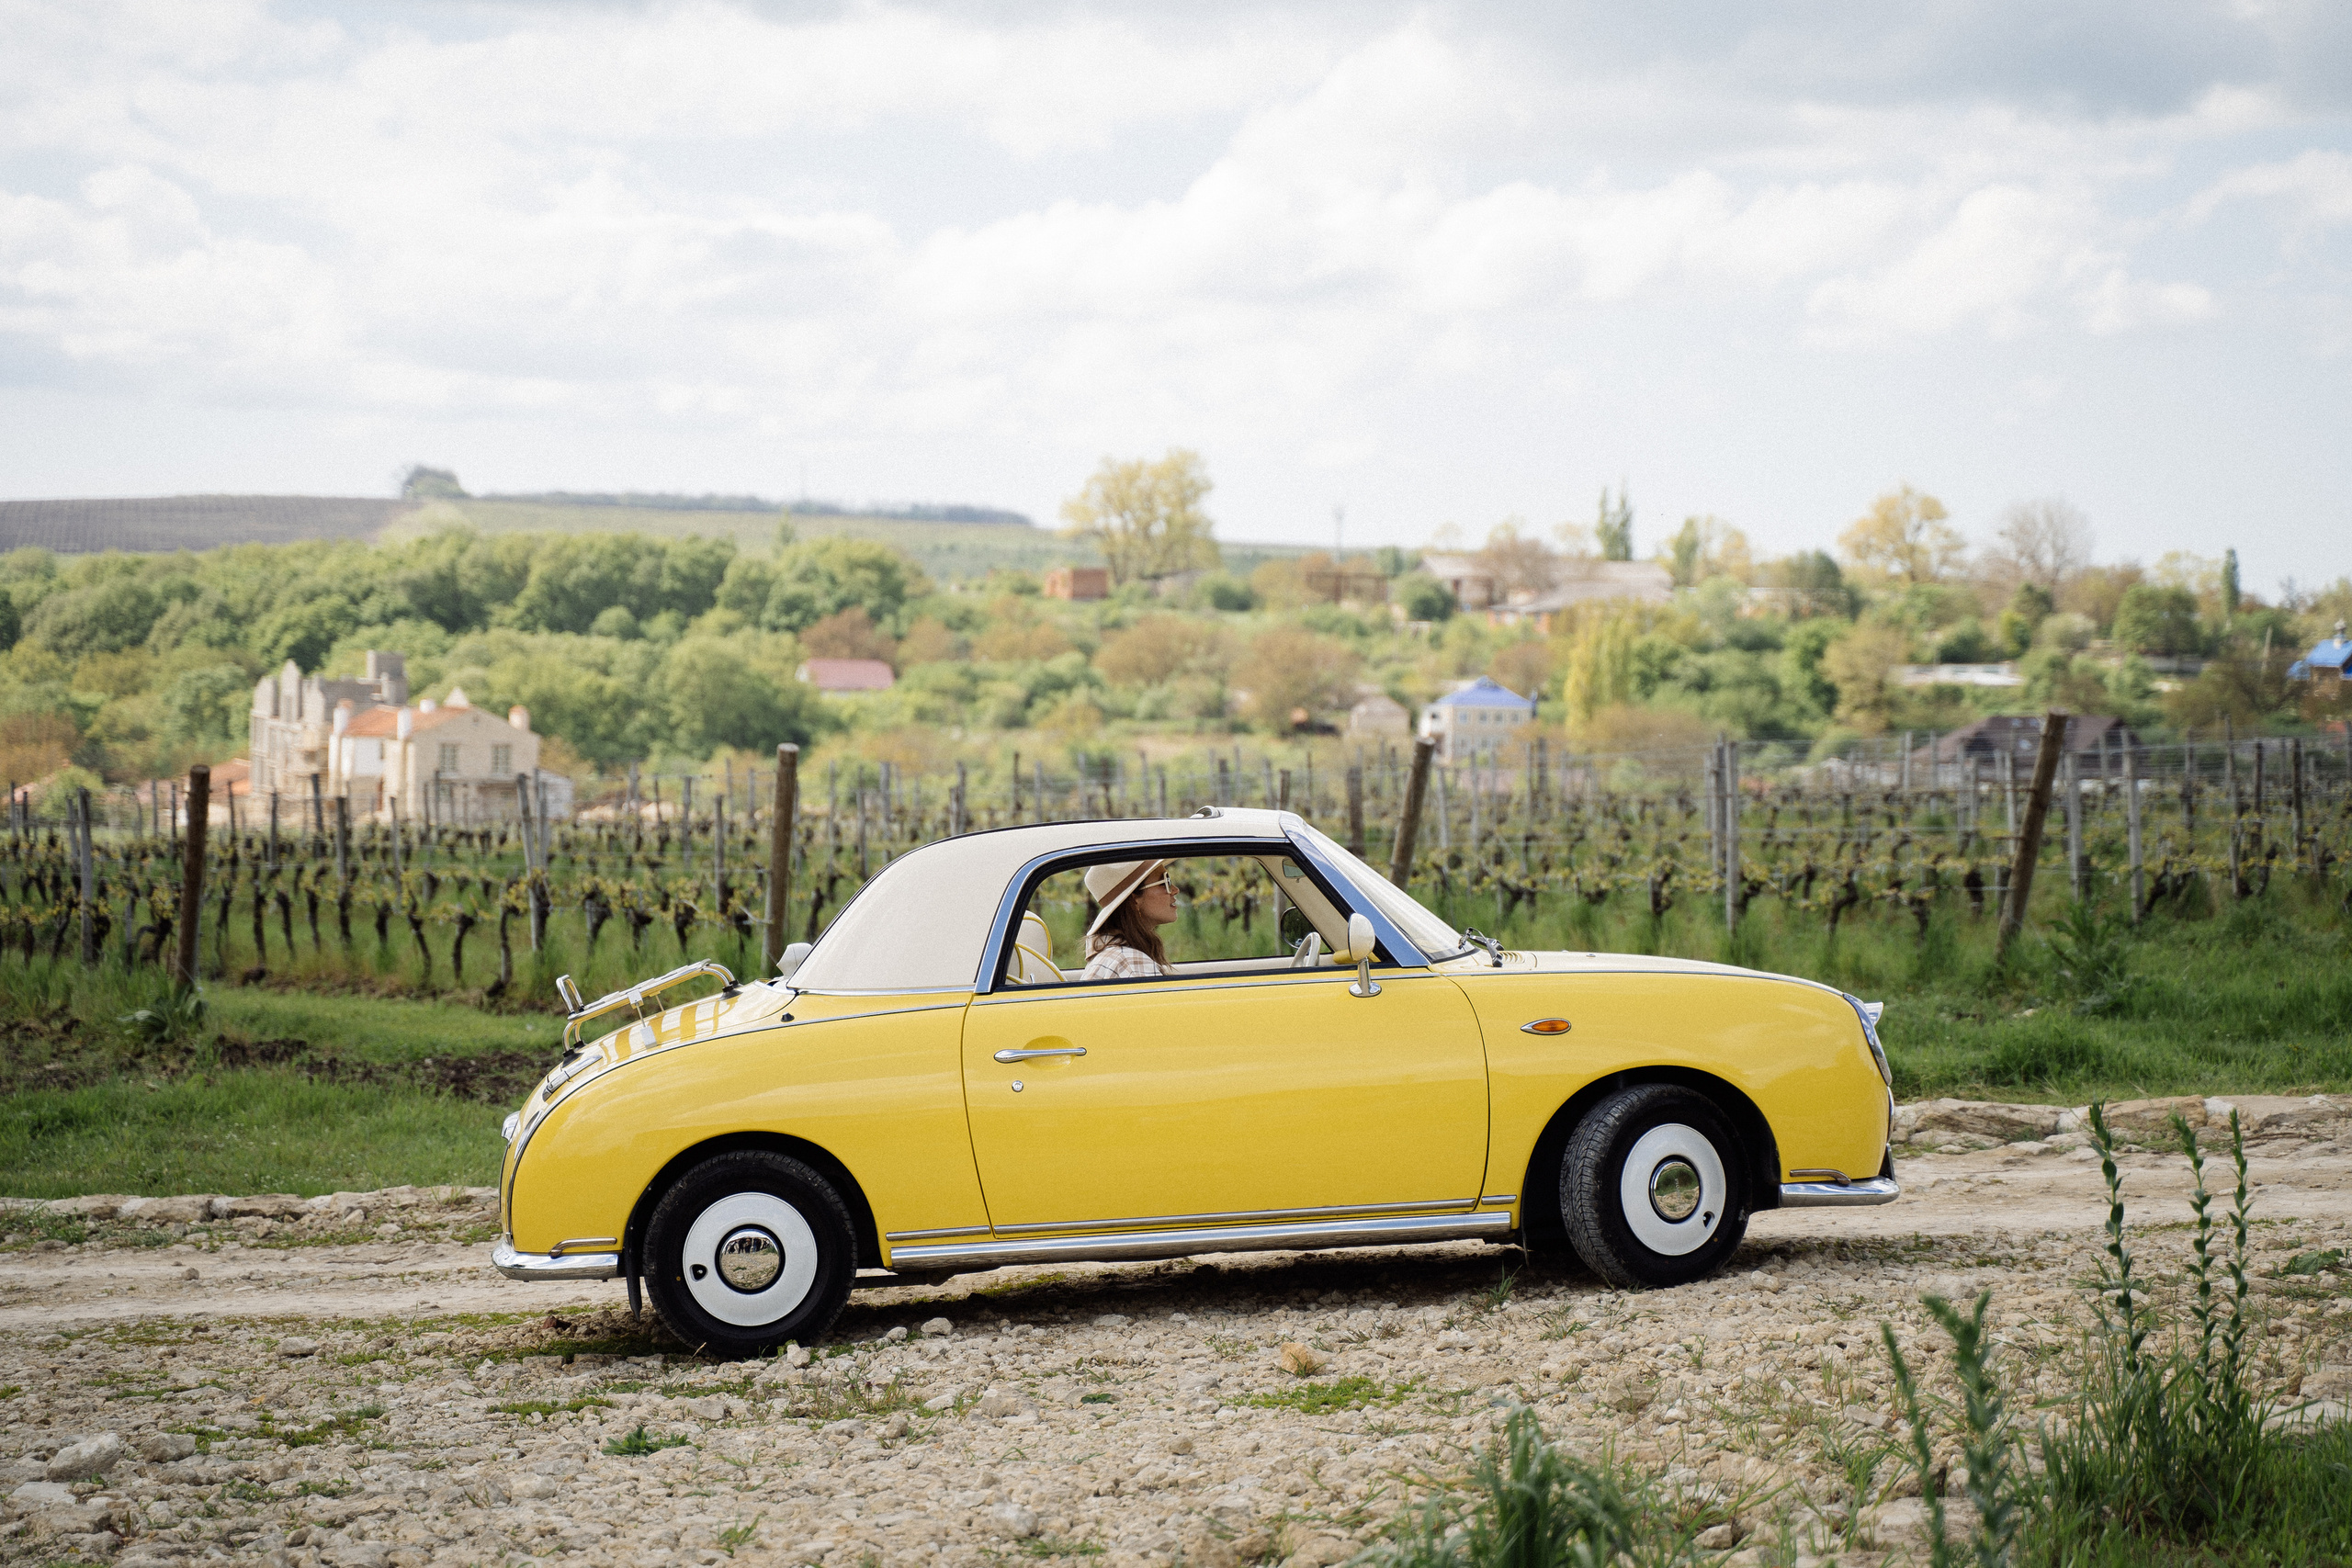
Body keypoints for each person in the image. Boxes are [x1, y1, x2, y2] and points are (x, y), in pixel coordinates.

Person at [1080, 858, 1178, 980]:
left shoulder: (1117, 957)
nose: (1175, 890)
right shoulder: (1131, 964)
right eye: (1165, 882)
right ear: (1134, 899)